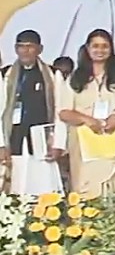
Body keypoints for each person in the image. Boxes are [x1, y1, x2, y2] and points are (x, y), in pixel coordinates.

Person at [57, 29, 115, 198]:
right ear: (87, 49)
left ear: (111, 49)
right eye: (95, 46)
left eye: (105, 46)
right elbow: (63, 112)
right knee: (86, 191)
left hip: (114, 140)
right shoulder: (75, 77)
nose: (100, 50)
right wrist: (86, 119)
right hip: (83, 144)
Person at [0, 30, 66, 195]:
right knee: (15, 189)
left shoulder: (53, 74)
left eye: (30, 46)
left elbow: (60, 111)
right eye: (21, 46)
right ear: (15, 49)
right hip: (14, 139)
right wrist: (1, 145)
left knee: (43, 189)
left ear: (39, 49)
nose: (25, 51)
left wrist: (58, 144)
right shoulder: (5, 75)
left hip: (42, 142)